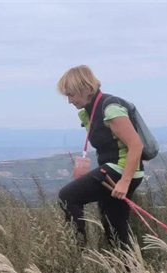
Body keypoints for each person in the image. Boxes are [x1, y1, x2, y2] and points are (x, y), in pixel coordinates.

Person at [57, 65, 144, 249]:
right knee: (116, 230)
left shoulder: (110, 108)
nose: (69, 100)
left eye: (71, 94)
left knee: (67, 196)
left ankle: (76, 253)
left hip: (120, 171)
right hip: (115, 171)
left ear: (86, 88)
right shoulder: (91, 111)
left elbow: (136, 145)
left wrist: (124, 182)